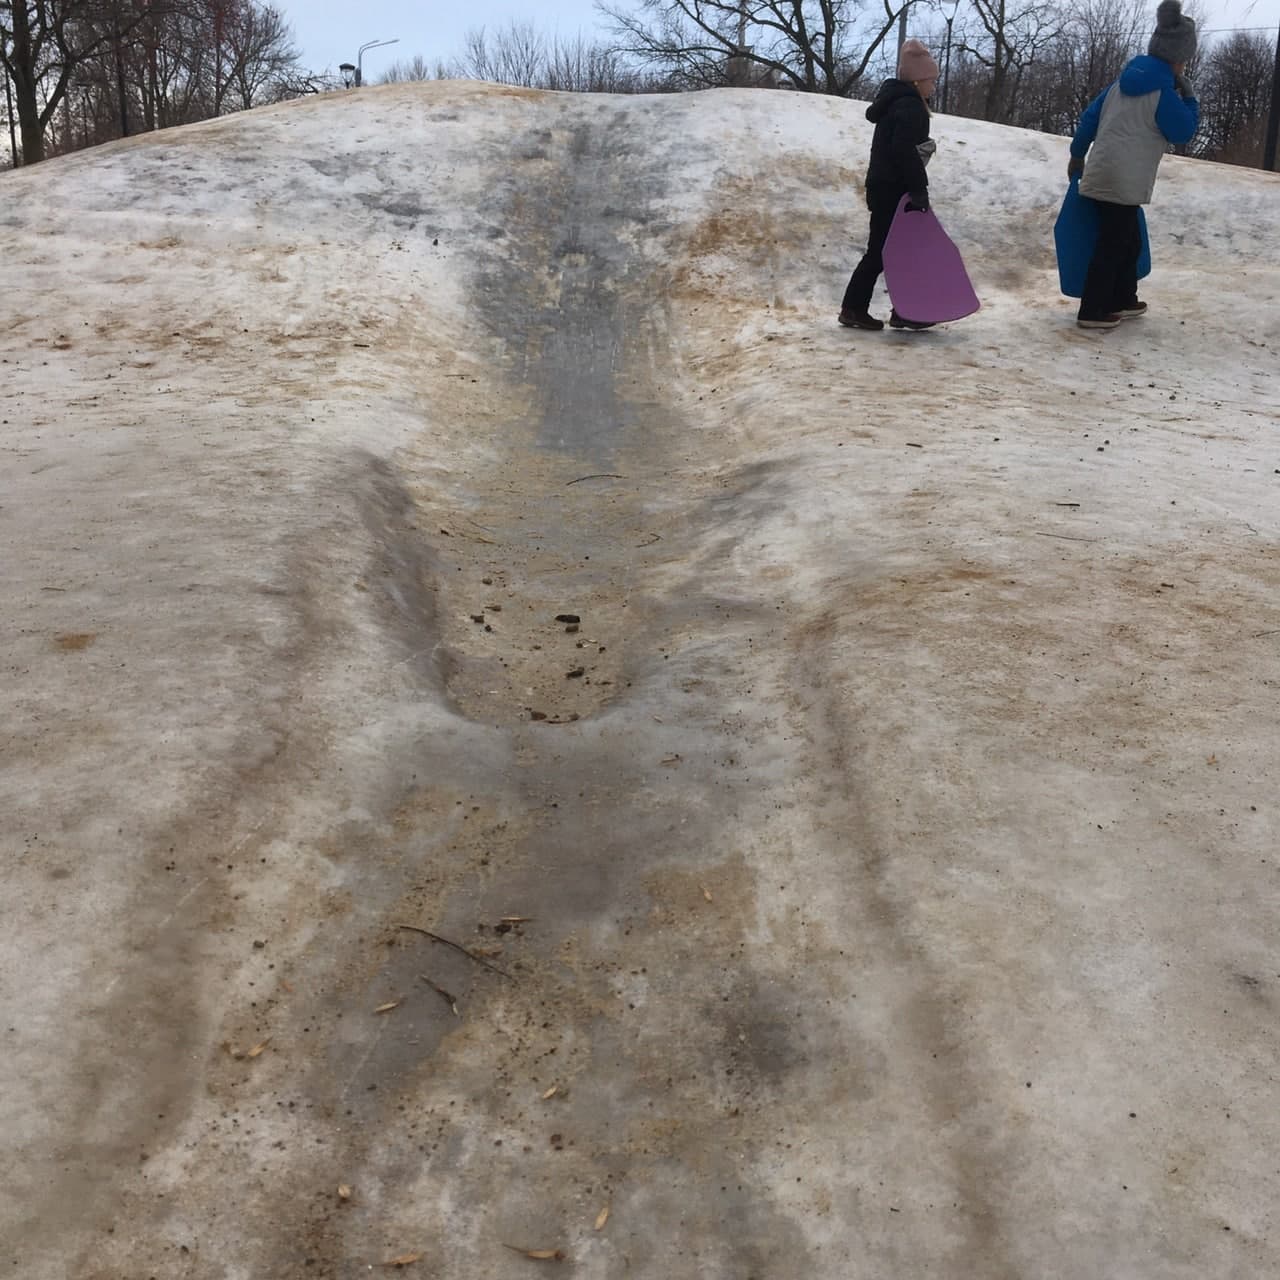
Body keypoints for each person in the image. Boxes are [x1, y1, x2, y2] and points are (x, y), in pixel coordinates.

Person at [1068, 1, 1199, 330]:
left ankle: (1123, 299)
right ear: (1178, 60)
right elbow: (1183, 131)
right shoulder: (1163, 95)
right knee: (1113, 243)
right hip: (1123, 181)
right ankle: (1093, 310)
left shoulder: (1118, 86)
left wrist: (1077, 153)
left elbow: (1089, 119)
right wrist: (1191, 99)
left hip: (1101, 172)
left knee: (1128, 240)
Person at [839, 39, 939, 332]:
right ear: (919, 80)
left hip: (884, 186)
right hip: (894, 189)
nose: (933, 86)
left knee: (892, 250)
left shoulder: (896, 102)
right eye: (931, 81)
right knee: (883, 251)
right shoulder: (910, 106)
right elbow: (903, 150)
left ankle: (897, 310)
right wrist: (918, 189)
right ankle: (858, 309)